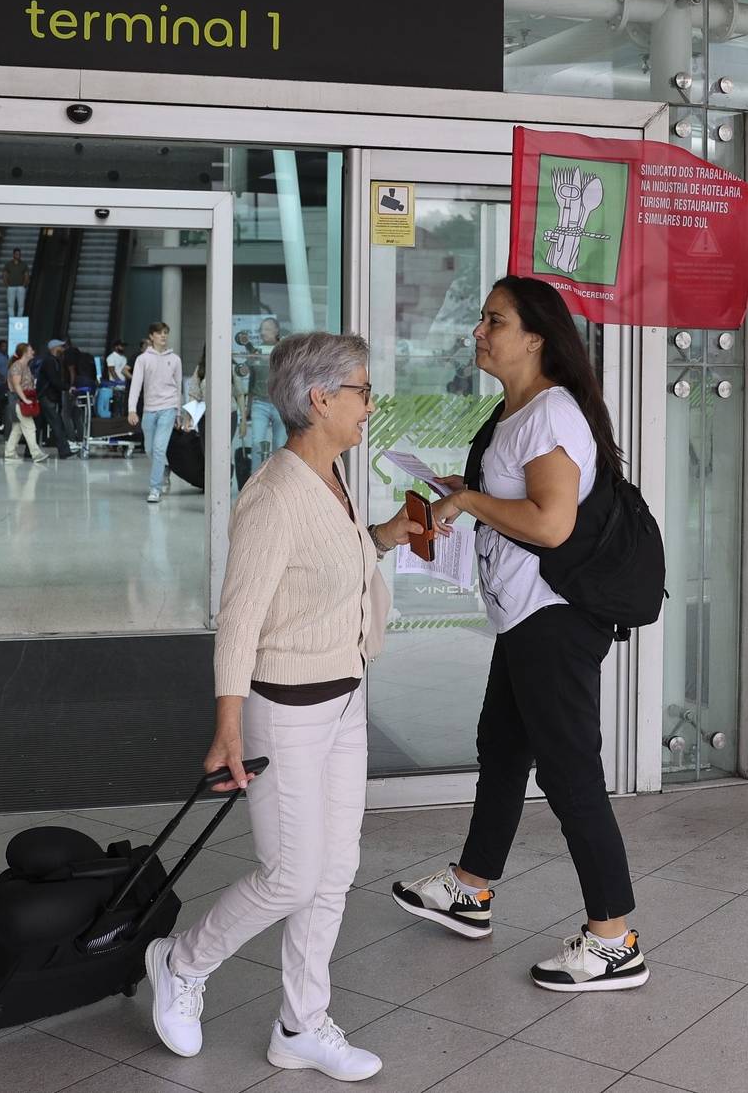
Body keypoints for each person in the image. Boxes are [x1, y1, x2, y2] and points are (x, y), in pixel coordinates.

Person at [146, 331, 424, 1083]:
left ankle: (301, 1023)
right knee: (291, 875)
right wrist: (227, 724)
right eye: (363, 391)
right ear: (320, 399)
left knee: (334, 872)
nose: (371, 404)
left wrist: (389, 536)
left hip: (343, 700)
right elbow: (239, 617)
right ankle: (179, 960)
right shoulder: (272, 495)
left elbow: (328, 564)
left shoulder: (332, 476)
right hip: (286, 710)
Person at [391, 276, 648, 993]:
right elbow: (522, 504)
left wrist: (470, 499)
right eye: (480, 319)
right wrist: (463, 489)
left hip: (555, 618)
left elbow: (551, 525)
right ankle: (471, 890)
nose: (478, 331)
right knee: (502, 751)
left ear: (535, 336)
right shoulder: (514, 412)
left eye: (493, 320)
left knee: (570, 774)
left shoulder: (550, 414)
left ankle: (615, 938)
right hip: (525, 614)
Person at [126, 322, 186, 503]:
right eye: (159, 333)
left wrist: (178, 412)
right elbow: (135, 385)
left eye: (166, 333)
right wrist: (131, 410)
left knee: (159, 449)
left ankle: (154, 488)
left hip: (168, 408)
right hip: (149, 410)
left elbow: (178, 386)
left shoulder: (175, 359)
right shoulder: (143, 359)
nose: (163, 336)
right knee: (150, 449)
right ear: (151, 336)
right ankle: (165, 467)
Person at [246, 318, 288, 470]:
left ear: (277, 331)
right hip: (259, 403)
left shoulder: (284, 351)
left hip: (279, 404)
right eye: (262, 329)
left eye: (268, 329)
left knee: (280, 444)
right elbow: (251, 379)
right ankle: (255, 482)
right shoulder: (256, 352)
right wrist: (247, 407)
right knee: (257, 442)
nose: (264, 332)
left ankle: (277, 481)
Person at [1, 342, 47, 463]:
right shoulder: (17, 366)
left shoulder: (25, 366)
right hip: (19, 400)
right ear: (25, 353)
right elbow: (16, 385)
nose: (33, 352)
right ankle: (36, 453)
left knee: (18, 428)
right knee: (29, 426)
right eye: (31, 350)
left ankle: (9, 453)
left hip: (23, 399)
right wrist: (25, 399)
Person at [4, 249, 29, 318]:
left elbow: (26, 275)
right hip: (11, 287)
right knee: (10, 305)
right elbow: (5, 275)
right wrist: (7, 285)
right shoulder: (8, 264)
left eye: (19, 254)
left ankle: (19, 319)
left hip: (21, 287)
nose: (18, 255)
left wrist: (24, 286)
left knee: (21, 306)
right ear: (13, 255)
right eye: (17, 254)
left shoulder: (24, 264)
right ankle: (12, 320)